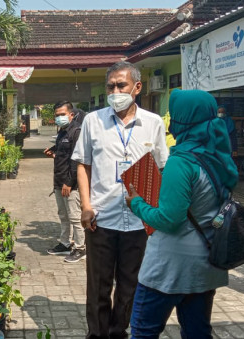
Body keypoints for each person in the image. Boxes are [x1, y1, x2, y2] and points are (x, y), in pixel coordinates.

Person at [125, 89, 237, 338]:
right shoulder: (218, 156)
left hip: (170, 267)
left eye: (174, 115)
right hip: (207, 263)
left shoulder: (181, 161)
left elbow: (169, 219)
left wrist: (137, 204)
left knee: (143, 331)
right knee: (197, 331)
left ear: (183, 119)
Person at [71, 61, 168, 339]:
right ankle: (98, 334)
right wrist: (86, 206)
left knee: (131, 285)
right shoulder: (93, 121)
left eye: (121, 85)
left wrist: (156, 211)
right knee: (98, 285)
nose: (115, 91)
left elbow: (161, 168)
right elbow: (83, 165)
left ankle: (118, 331)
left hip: (139, 221)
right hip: (101, 218)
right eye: (110, 86)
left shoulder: (153, 123)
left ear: (136, 87)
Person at [43, 101, 86, 263]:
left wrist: (69, 182)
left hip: (71, 184)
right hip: (59, 181)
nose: (59, 118)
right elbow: (63, 154)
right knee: (63, 215)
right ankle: (65, 243)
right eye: (57, 115)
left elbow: (77, 160)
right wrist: (53, 152)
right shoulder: (62, 132)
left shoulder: (76, 132)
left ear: (71, 114)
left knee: (75, 217)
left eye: (62, 114)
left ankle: (81, 248)